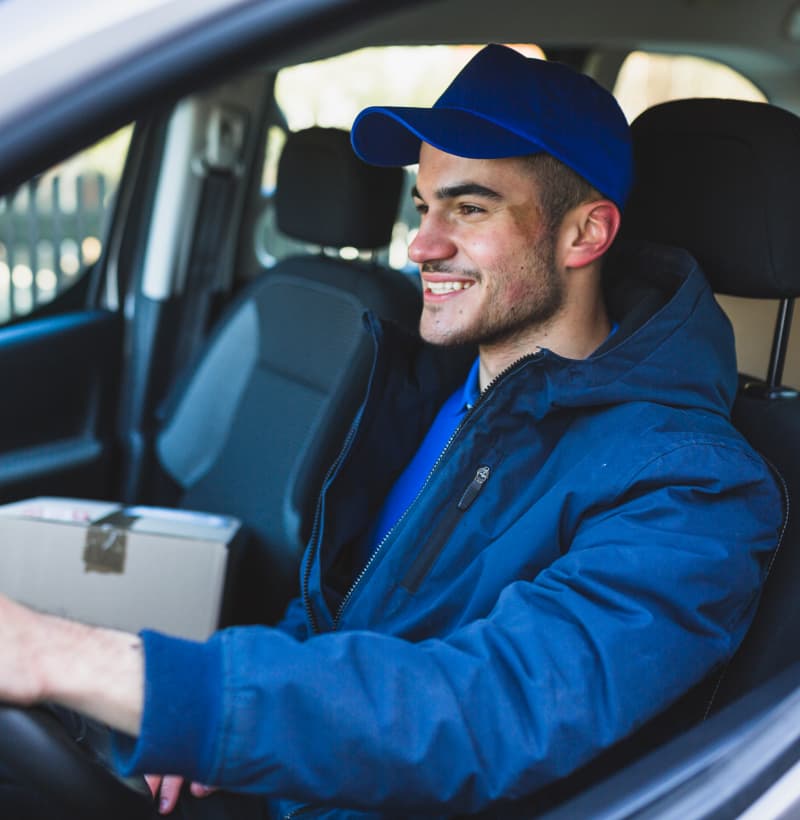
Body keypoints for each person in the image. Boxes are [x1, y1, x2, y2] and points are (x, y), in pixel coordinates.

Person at [0, 43, 782, 819]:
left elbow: (490, 712)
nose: (422, 244)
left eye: (469, 208)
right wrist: (206, 723)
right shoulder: (437, 385)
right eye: (423, 205)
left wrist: (76, 659)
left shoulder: (694, 488)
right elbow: (338, 609)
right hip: (307, 778)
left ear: (585, 235)